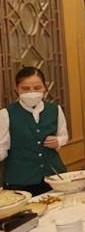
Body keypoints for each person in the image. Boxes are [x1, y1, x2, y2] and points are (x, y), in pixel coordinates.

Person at [0, 67, 68, 196]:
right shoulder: (6, 114)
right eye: (25, 88)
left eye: (37, 88)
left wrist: (58, 141)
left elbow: (63, 136)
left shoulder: (55, 110)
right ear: (16, 89)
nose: (31, 92)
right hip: (21, 180)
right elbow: (2, 148)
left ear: (45, 87)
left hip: (54, 176)